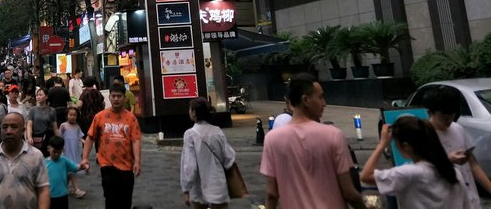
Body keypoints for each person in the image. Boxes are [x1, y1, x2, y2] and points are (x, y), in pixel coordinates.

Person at [260, 73, 364, 209]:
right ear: (306, 100)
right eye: (320, 97)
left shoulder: (272, 139)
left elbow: (272, 194)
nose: (324, 103)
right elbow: (349, 193)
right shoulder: (333, 135)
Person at [361, 116, 470, 208]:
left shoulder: (409, 173)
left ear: (406, 146)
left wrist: (382, 144)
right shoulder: (454, 173)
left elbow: (365, 176)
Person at [424, 85, 491, 207]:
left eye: (452, 115)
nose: (449, 120)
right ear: (431, 112)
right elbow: (422, 171)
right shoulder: (424, 135)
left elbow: (473, 164)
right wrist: (448, 160)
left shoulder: (458, 129)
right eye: (444, 117)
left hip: (471, 201)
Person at [80, 83, 142, 209]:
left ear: (124, 98)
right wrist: (85, 158)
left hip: (126, 166)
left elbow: (136, 140)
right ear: (109, 97)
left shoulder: (131, 118)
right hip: (107, 165)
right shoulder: (100, 116)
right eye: (113, 96)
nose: (116, 99)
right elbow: (90, 137)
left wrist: (137, 161)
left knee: (125, 201)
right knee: (110, 199)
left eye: (119, 96)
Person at [0, 112, 50, 209]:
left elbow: (43, 190)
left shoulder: (36, 156)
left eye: (14, 127)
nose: (8, 131)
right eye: (5, 127)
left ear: (23, 131)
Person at [180, 97, 236, 209]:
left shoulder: (190, 135)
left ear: (194, 112)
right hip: (218, 185)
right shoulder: (217, 131)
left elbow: (189, 166)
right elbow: (229, 157)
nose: (189, 112)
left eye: (190, 109)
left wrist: (186, 189)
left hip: (199, 188)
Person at [46, 136, 84, 209]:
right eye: (54, 151)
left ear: (62, 150)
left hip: (63, 195)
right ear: (48, 148)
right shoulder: (44, 163)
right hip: (49, 196)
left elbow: (75, 167)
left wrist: (82, 166)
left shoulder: (64, 160)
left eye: (59, 152)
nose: (56, 154)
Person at [59, 106, 87, 199]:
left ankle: (62, 188)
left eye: (74, 115)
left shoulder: (77, 127)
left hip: (75, 151)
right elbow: (59, 137)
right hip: (66, 151)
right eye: (70, 115)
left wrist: (86, 143)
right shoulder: (63, 126)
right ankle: (77, 190)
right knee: (71, 170)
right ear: (67, 115)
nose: (72, 117)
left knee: (69, 171)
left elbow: (80, 137)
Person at [27, 87, 60, 157]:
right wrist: (29, 137)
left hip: (47, 138)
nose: (38, 97)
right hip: (35, 138)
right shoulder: (33, 110)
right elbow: (29, 125)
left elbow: (55, 127)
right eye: (37, 95)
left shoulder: (52, 110)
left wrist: (59, 140)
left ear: (46, 96)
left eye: (40, 95)